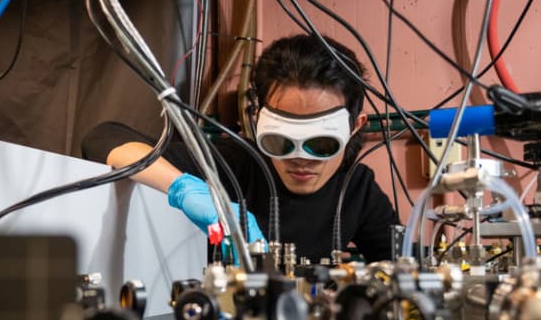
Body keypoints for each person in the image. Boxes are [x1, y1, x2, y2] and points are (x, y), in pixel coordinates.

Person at [82, 34, 397, 263]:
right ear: (260, 122)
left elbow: (404, 268)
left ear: (355, 126)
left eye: (321, 143)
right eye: (282, 141)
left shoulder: (357, 189)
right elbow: (101, 138)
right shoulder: (234, 164)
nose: (301, 159)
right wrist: (182, 187)